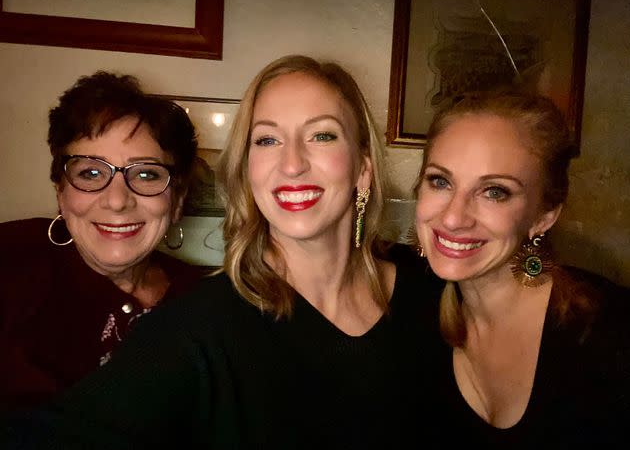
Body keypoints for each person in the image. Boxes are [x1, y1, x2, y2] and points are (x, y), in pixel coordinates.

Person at [3, 55, 437, 448]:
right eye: (266, 140)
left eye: (322, 135)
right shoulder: (200, 326)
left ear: (363, 168)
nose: (292, 163)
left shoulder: (435, 290)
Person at [413, 91, 630, 447]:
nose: (453, 217)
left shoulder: (611, 332)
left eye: (495, 192)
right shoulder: (414, 311)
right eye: (440, 181)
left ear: (544, 217)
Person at [0, 72, 203, 415]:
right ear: (61, 193)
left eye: (146, 174)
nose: (117, 201)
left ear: (177, 200)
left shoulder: (208, 302)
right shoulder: (11, 265)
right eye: (91, 173)